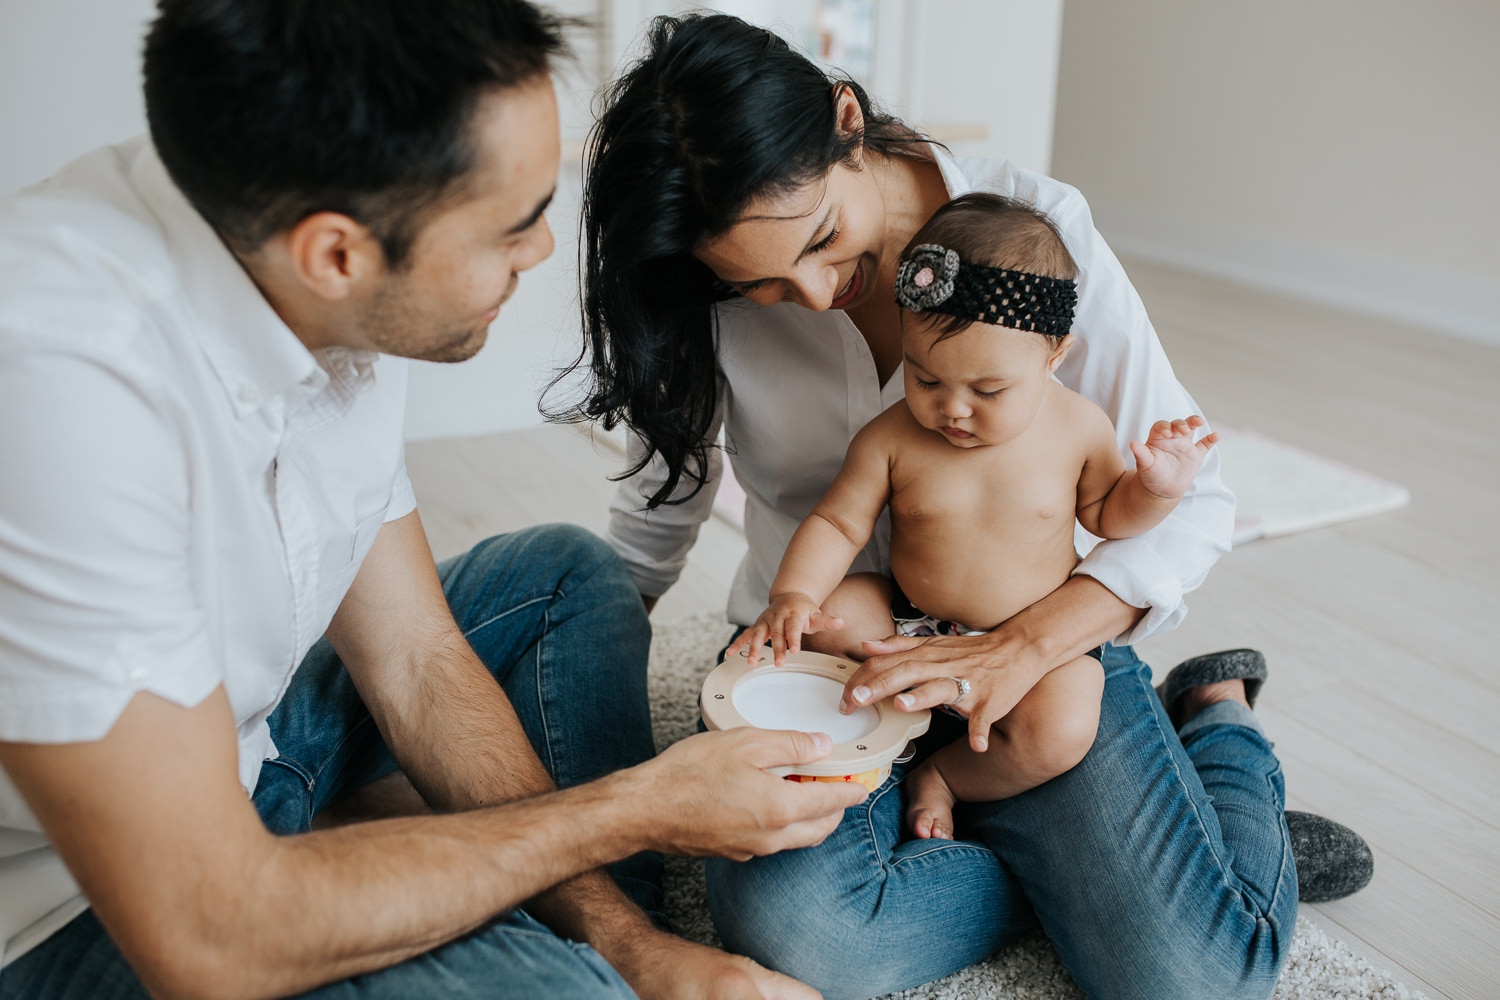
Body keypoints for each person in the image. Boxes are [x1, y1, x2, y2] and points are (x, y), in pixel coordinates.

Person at [0, 3, 870, 999]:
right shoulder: (58, 381)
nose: (543, 250)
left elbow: (412, 655)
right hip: (78, 905)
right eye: (516, 222)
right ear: (337, 254)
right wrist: (636, 809)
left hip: (252, 735)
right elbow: (209, 932)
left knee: (568, 578)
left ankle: (571, 932)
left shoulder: (308, 246)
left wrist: (634, 942)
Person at [570, 12, 1372, 1000]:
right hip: (838, 655)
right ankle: (1095, 867)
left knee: (1194, 977)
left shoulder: (1034, 245)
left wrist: (1021, 648)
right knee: (810, 937)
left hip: (1031, 649)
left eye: (823, 238)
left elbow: (1191, 501)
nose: (816, 295)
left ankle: (1215, 728)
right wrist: (597, 683)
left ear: (847, 118)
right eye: (764, 288)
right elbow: (664, 503)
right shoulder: (703, 286)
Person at [730, 192, 1221, 841]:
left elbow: (1108, 516)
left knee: (1064, 728)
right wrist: (793, 596)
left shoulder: (1078, 427)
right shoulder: (892, 438)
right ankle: (890, 720)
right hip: (911, 620)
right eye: (926, 378)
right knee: (835, 617)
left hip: (1030, 641)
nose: (953, 409)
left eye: (987, 390)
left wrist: (1156, 490)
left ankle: (947, 777)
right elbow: (837, 524)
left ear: (1054, 355)